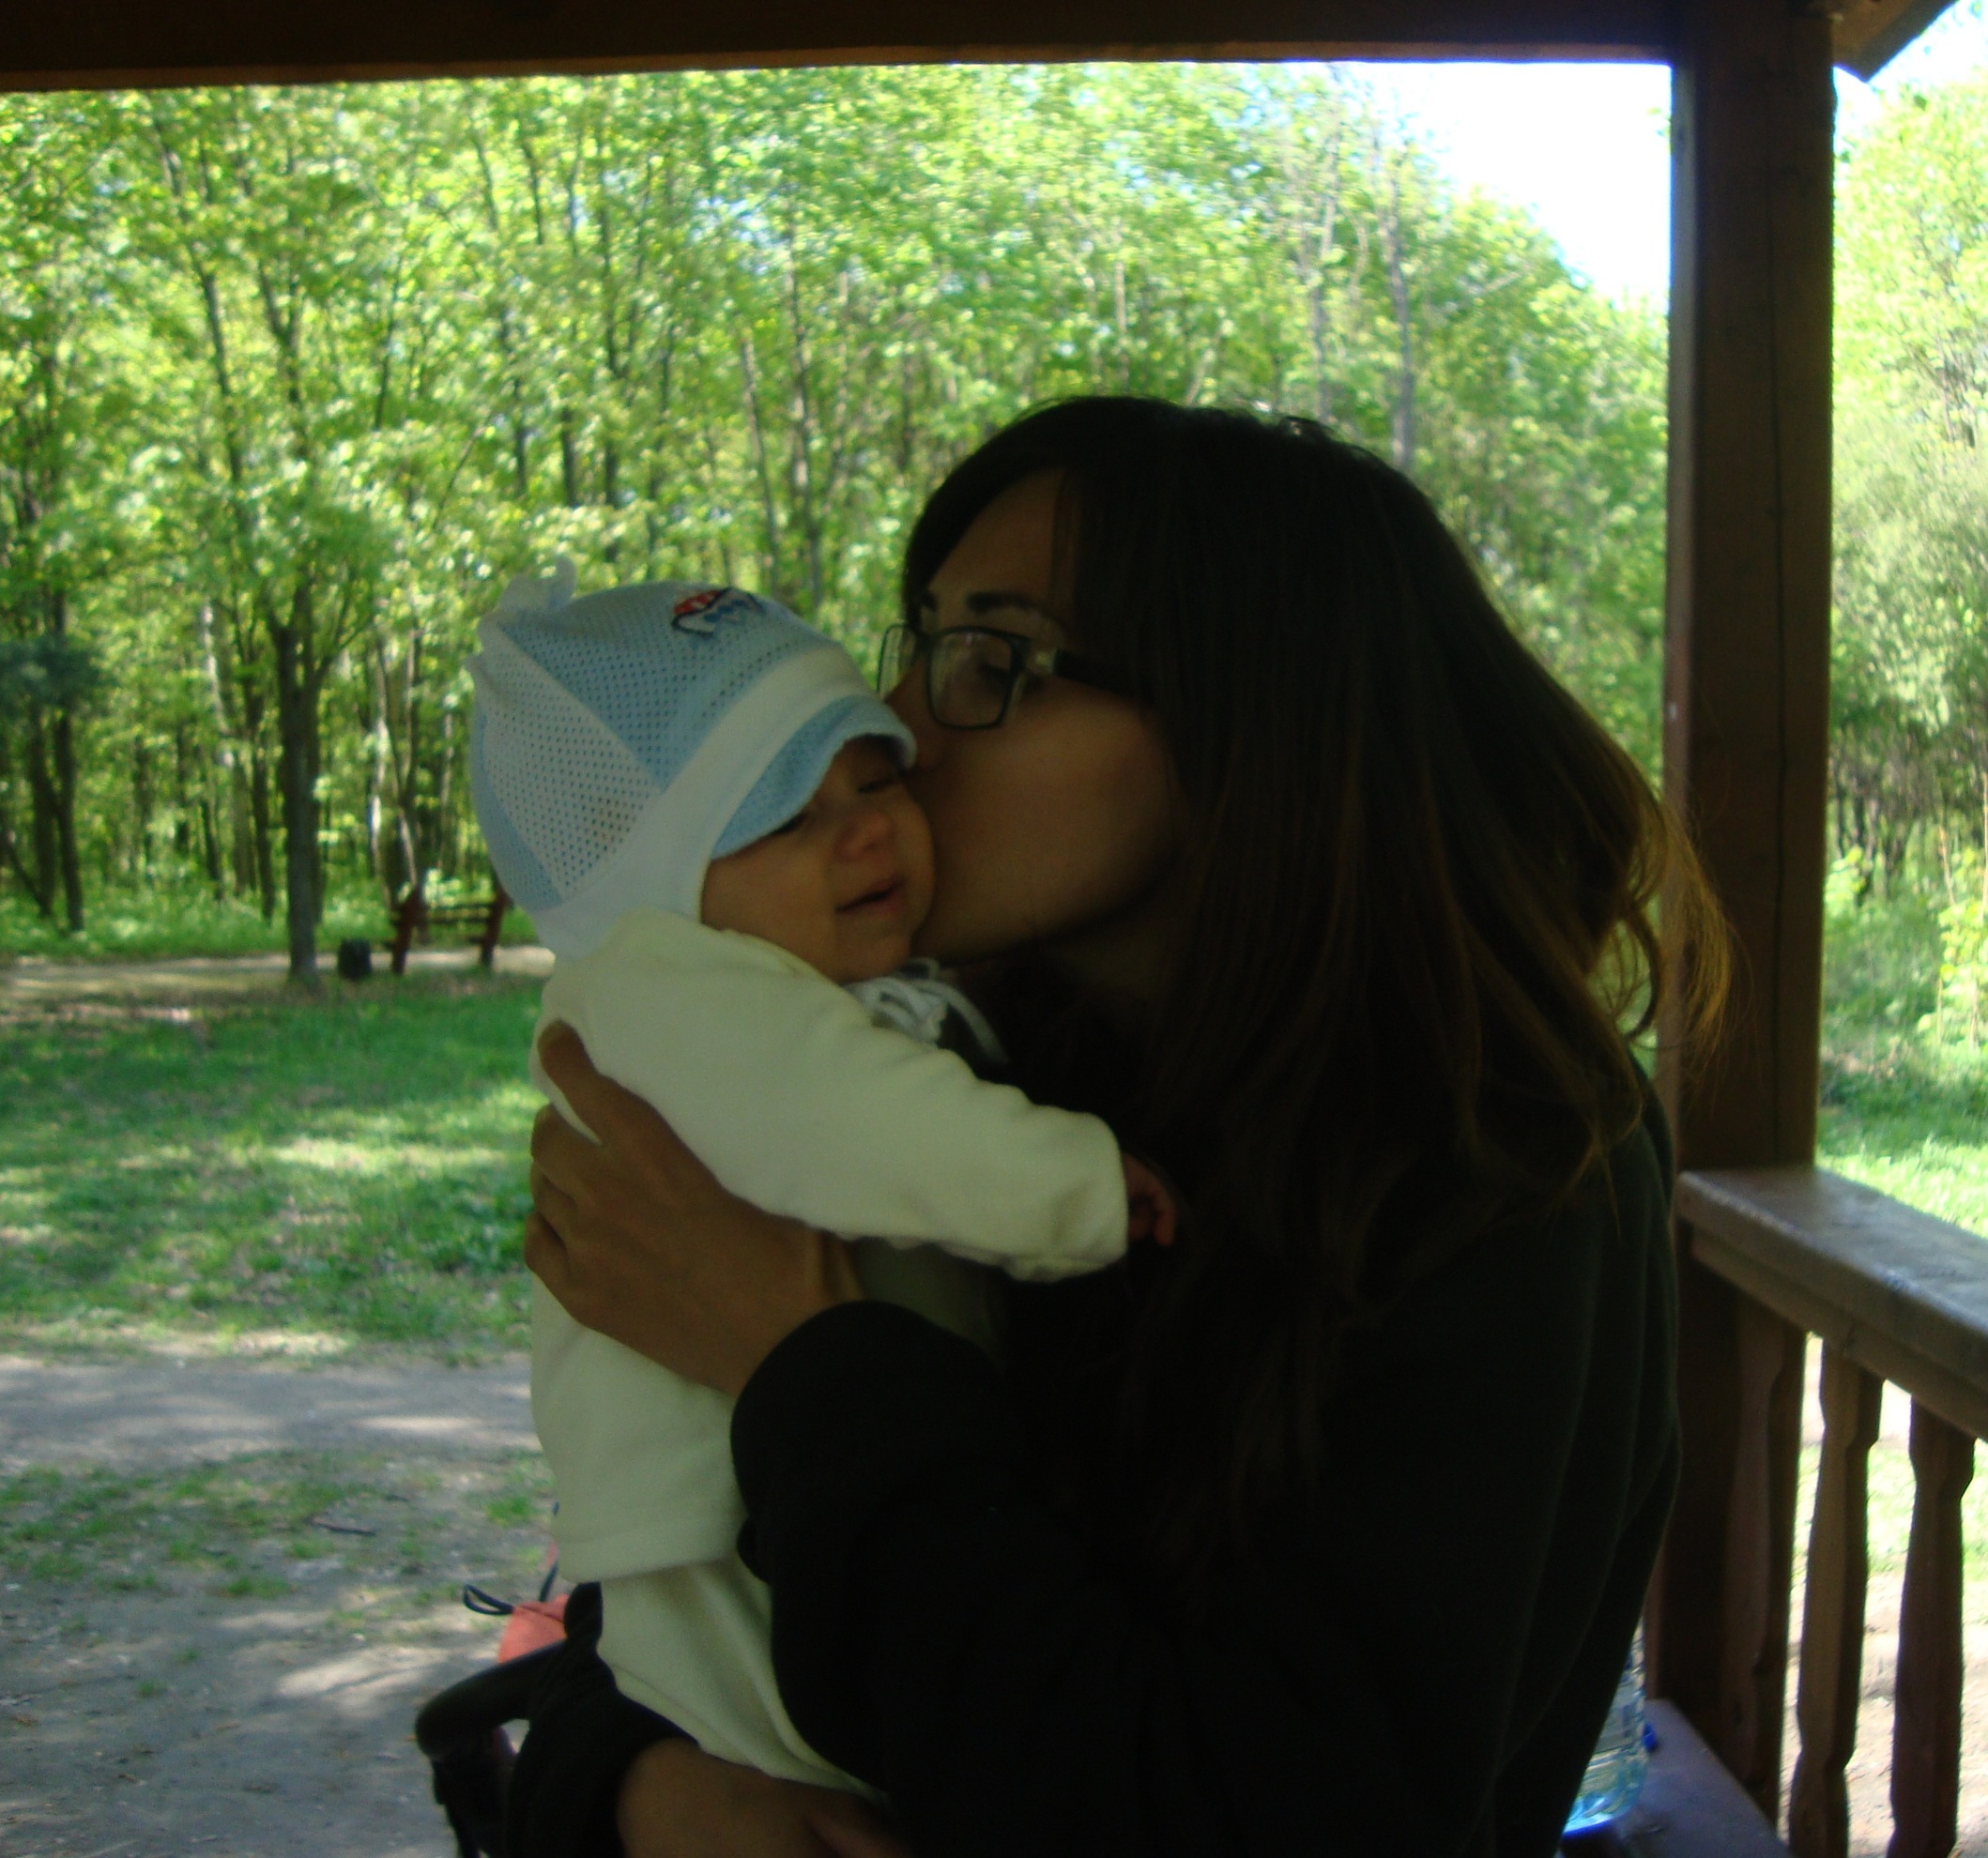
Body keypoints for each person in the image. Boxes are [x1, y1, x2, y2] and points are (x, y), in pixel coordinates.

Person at [512, 397, 1720, 1858]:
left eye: (995, 661)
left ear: (1253, 721)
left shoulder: (1504, 1180)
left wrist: (798, 1364)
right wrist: (644, 1793)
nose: (894, 727)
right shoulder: (979, 1078)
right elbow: (646, 1622)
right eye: (919, 644)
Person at [467, 571, 1171, 1796]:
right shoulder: (673, 990)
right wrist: (1080, 1186)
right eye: (785, 815)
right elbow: (868, 1127)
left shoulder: (802, 992)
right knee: (820, 1776)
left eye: (876, 779)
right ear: (663, 877)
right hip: (722, 1521)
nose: (864, 831)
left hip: (788, 1493)